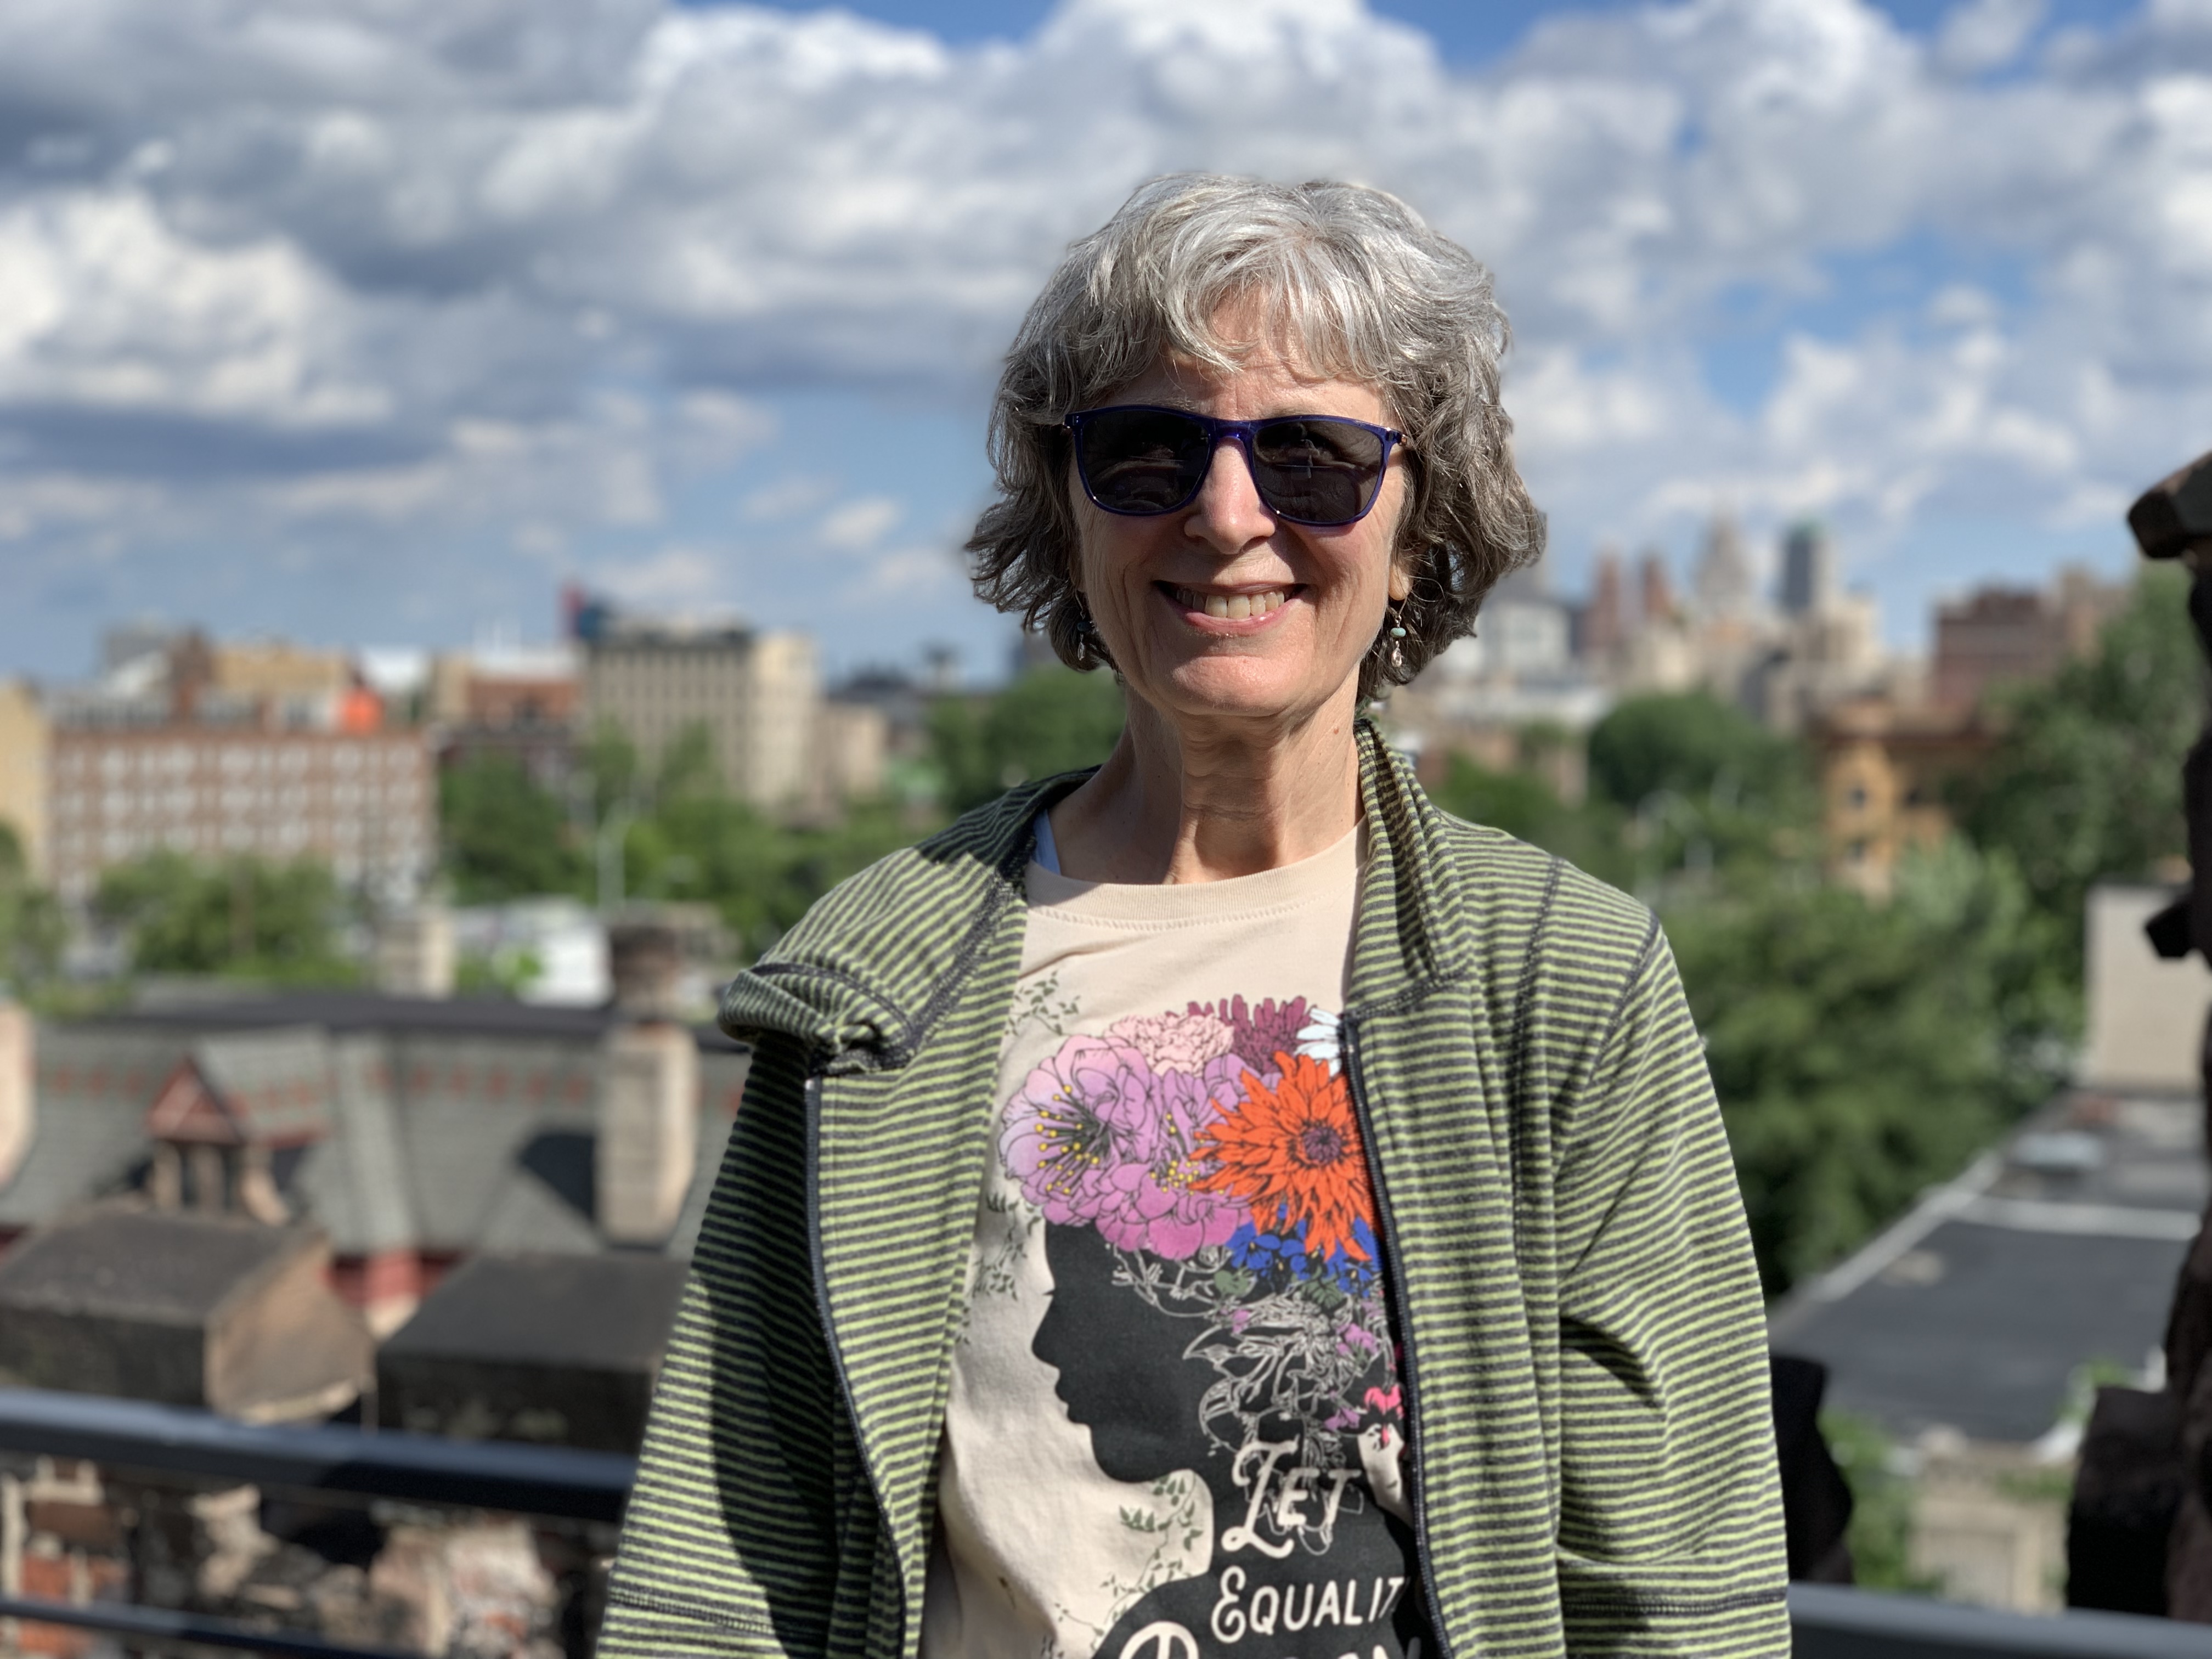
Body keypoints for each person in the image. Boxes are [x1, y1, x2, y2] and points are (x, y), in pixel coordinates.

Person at [597, 174, 1789, 1659]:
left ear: (1418, 528)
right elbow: (727, 1572)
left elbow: (1667, 1593)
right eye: (1149, 452)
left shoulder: (1560, 985)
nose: (1230, 516)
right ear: (1071, 510)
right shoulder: (877, 981)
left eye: (1313, 458)